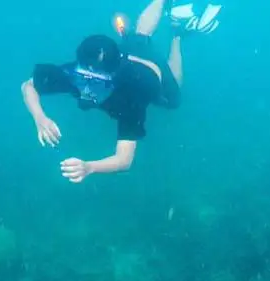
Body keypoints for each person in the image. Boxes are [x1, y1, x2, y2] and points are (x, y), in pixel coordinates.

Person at [21, 1, 223, 182]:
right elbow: (28, 85)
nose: (86, 83)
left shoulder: (130, 98)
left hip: (155, 74)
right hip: (128, 52)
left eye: (96, 78)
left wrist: (89, 167)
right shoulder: (77, 72)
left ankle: (177, 35)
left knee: (173, 97)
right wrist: (40, 117)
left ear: (111, 75)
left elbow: (124, 160)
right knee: (139, 37)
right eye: (84, 72)